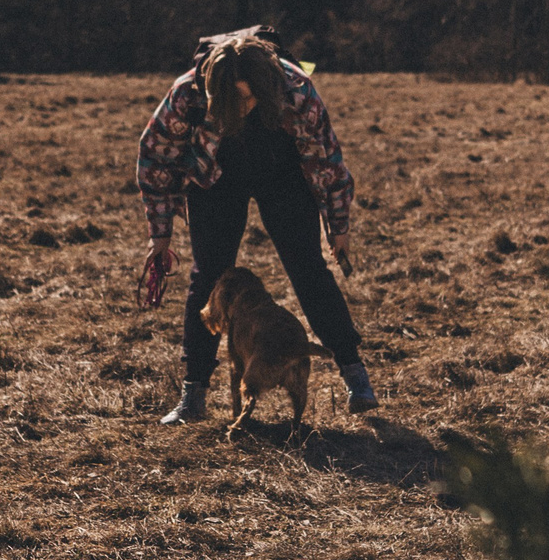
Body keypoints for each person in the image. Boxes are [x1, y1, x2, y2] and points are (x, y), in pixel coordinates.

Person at [136, 28, 379, 423]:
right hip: (214, 180)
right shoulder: (187, 94)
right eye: (232, 98)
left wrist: (339, 226)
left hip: (283, 176)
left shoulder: (297, 90)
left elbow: (326, 159)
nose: (242, 106)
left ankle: (356, 377)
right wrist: (160, 233)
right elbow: (155, 157)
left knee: (308, 267)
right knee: (209, 278)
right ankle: (192, 395)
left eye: (249, 97)